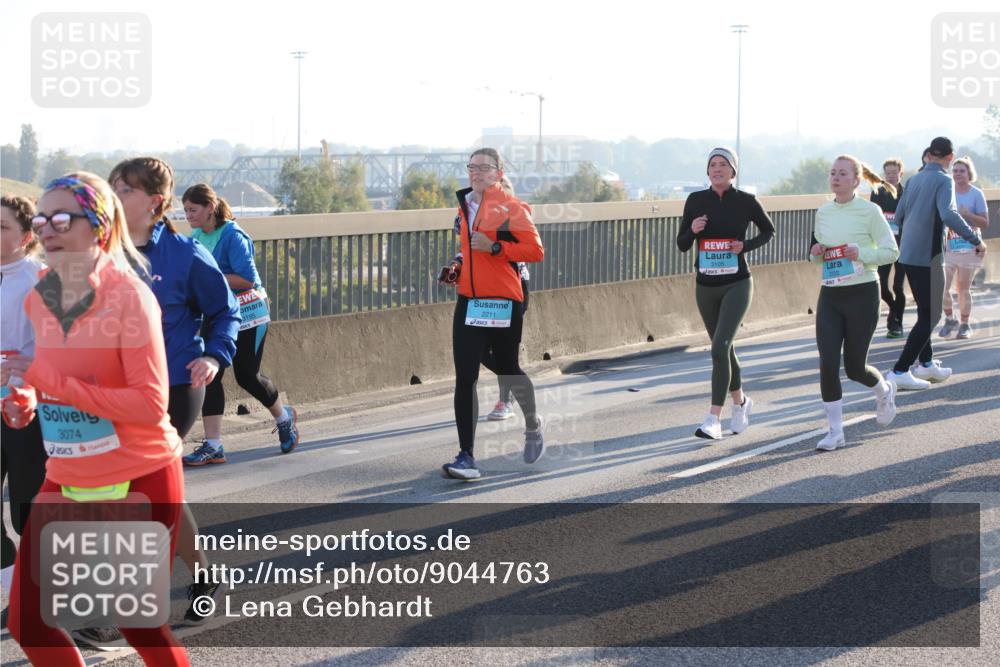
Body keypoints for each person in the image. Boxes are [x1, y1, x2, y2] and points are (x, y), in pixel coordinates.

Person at [2, 172, 189, 666]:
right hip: (67, 474)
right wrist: (26, 399)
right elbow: (50, 378)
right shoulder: (38, 297)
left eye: (63, 218)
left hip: (138, 474)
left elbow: (150, 405)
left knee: (138, 624)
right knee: (28, 621)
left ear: (100, 226)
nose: (47, 229)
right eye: (41, 219)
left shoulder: (128, 297)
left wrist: (49, 382)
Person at [107, 158, 238, 633]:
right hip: (114, 389)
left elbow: (225, 312)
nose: (114, 195)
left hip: (176, 385)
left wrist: (214, 357)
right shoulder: (103, 253)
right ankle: (205, 572)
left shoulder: (185, 254)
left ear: (154, 201)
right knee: (157, 490)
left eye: (124, 189)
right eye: (112, 187)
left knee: (132, 486)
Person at [442, 148, 545, 480]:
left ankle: (532, 425)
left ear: (499, 173)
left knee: (509, 369)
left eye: (484, 168)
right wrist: (457, 267)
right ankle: (466, 456)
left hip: (504, 301)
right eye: (472, 167)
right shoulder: (464, 207)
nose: (477, 173)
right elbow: (468, 250)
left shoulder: (513, 208)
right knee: (465, 377)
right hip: (470, 300)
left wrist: (496, 247)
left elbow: (535, 251)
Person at [181, 184, 299, 460]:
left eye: (192, 209)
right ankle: (214, 445)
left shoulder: (233, 235)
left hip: (249, 311)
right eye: (185, 210)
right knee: (209, 375)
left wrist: (210, 278)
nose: (187, 215)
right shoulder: (197, 236)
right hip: (219, 312)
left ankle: (284, 419)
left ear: (210, 208)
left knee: (247, 375)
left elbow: (246, 279)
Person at [677, 147, 775, 439]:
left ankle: (713, 419)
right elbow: (682, 244)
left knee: (719, 348)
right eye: (713, 165)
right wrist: (693, 230)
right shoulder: (696, 201)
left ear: (733, 171)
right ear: (707, 171)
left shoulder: (746, 201)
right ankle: (741, 402)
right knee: (725, 350)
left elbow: (769, 231)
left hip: (737, 283)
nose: (717, 169)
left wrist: (745, 246)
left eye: (723, 165)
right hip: (705, 286)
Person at [809, 156, 900, 451]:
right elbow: (816, 254)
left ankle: (884, 389)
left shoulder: (870, 211)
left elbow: (891, 251)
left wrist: (861, 253)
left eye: (842, 173)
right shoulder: (822, 212)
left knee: (855, 367)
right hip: (831, 295)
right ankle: (835, 432)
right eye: (832, 173)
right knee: (827, 363)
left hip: (862, 294)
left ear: (856, 181)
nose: (835, 177)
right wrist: (816, 251)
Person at [887, 137, 987, 390]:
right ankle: (900, 370)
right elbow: (949, 214)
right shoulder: (944, 180)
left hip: (907, 254)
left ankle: (927, 363)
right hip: (929, 256)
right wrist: (975, 238)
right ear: (950, 157)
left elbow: (898, 217)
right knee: (931, 315)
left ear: (930, 154)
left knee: (925, 311)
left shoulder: (914, 179)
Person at [0, 196, 46, 629]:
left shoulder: (39, 280)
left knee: (27, 512)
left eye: (2, 227)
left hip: (27, 410)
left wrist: (29, 370)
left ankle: (35, 600)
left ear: (26, 237)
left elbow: (64, 348)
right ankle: (18, 594)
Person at [939, 156, 989, 339]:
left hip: (970, 246)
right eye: (955, 170)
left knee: (963, 289)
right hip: (949, 246)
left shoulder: (976, 194)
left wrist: (968, 215)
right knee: (942, 287)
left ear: (969, 174)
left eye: (962, 170)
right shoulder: (947, 192)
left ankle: (965, 324)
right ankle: (949, 318)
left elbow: (985, 223)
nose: (958, 174)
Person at [871, 158, 906, 338]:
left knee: (898, 287)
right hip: (883, 245)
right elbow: (872, 218)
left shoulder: (907, 193)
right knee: (882, 286)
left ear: (901, 173)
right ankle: (894, 310)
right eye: (888, 173)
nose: (891, 176)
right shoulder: (878, 192)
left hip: (903, 246)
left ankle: (896, 323)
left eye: (894, 173)